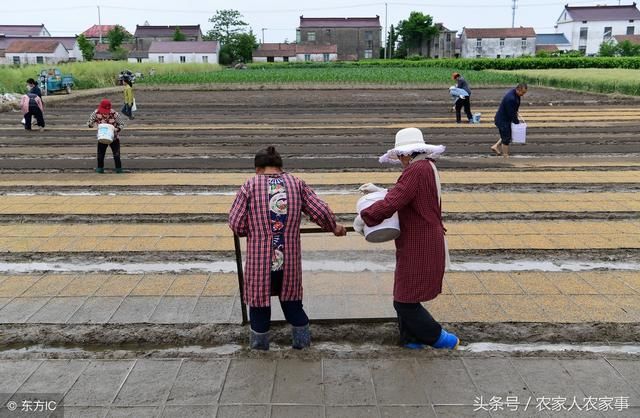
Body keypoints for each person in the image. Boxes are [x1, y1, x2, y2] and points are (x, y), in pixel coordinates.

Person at [229, 146, 347, 350]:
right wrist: (333, 226)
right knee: (292, 303)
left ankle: (260, 350)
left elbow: (237, 224)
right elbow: (319, 210)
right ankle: (302, 346)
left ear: (258, 168)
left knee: (259, 305)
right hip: (289, 259)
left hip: (260, 261)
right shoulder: (296, 183)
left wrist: (255, 230)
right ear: (280, 167)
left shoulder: (249, 185)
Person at [353, 128, 459, 350]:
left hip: (420, 242)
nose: (400, 160)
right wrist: (381, 190)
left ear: (406, 153)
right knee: (406, 293)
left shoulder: (416, 170)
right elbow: (405, 194)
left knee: (404, 301)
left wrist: (365, 217)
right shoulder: (427, 166)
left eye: (400, 155)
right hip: (422, 239)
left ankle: (441, 339)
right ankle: (411, 340)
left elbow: (394, 202)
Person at [87, 99, 125, 173]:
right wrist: (92, 124)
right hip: (102, 137)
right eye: (103, 112)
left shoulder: (114, 114)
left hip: (114, 138)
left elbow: (122, 124)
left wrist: (116, 129)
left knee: (116, 155)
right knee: (100, 155)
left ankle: (119, 170)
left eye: (106, 112)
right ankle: (100, 170)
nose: (105, 114)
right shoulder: (96, 113)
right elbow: (89, 123)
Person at [492, 82, 528, 158]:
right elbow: (511, 113)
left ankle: (495, 146)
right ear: (518, 89)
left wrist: (516, 112)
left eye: (524, 93)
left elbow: (514, 108)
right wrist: (517, 122)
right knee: (506, 138)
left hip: (506, 118)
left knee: (507, 134)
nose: (523, 94)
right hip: (502, 120)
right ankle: (505, 156)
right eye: (523, 92)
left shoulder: (515, 94)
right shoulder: (510, 98)